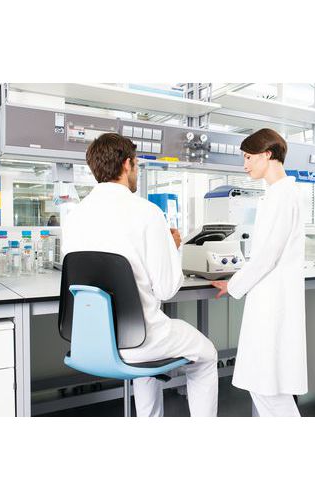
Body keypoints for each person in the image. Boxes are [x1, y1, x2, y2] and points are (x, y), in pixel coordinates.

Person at [62, 133, 218, 417]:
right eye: (136, 164)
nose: (137, 170)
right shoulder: (147, 212)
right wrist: (172, 248)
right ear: (127, 164)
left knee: (145, 343)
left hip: (90, 340)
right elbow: (167, 289)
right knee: (206, 355)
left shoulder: (74, 216)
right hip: (140, 340)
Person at [212, 128, 307, 417]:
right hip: (270, 295)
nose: (245, 164)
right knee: (265, 385)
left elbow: (267, 256)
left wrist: (233, 285)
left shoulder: (282, 196)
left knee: (266, 386)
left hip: (273, 300)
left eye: (248, 157)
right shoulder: (278, 194)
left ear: (267, 154)